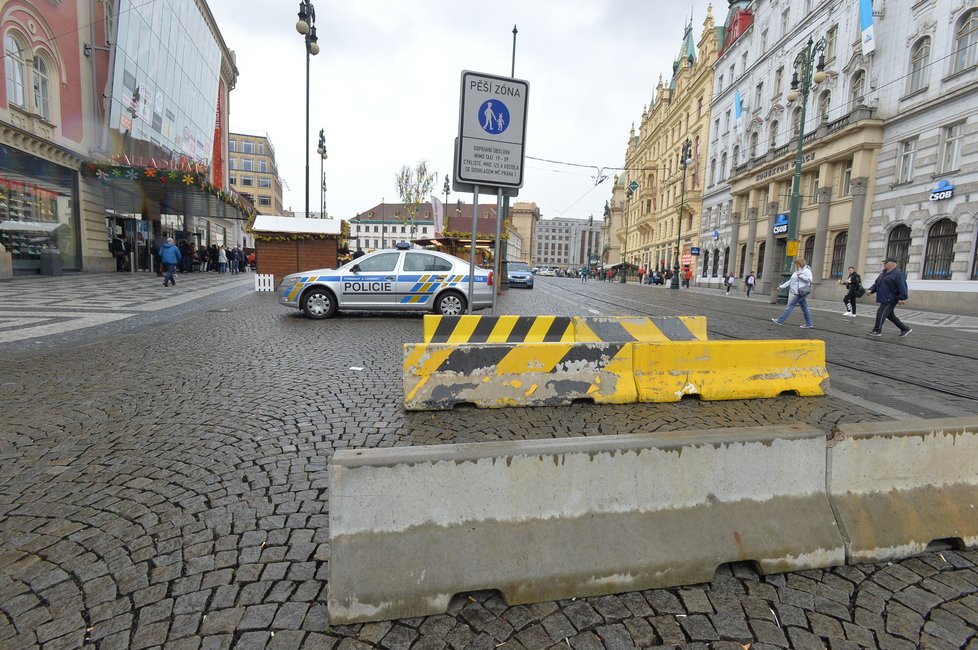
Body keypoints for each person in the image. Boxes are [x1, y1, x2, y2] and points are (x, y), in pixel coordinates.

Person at [866, 257, 911, 337]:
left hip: (891, 298)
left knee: (881, 312)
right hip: (883, 297)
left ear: (893, 264)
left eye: (887, 263)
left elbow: (902, 286)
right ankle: (905, 328)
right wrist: (871, 290)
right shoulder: (883, 273)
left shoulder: (898, 274)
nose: (885, 264)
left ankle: (877, 330)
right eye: (884, 263)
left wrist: (902, 298)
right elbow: (877, 284)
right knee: (889, 315)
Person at [771, 257, 814, 328]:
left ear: (800, 264)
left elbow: (809, 279)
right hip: (798, 292)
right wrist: (781, 287)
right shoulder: (796, 271)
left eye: (797, 264)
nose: (795, 265)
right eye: (795, 264)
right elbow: (790, 281)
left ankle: (780, 320)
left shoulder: (806, 270)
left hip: (801, 292)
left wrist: (801, 276)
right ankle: (809, 323)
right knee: (805, 308)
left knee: (790, 306)